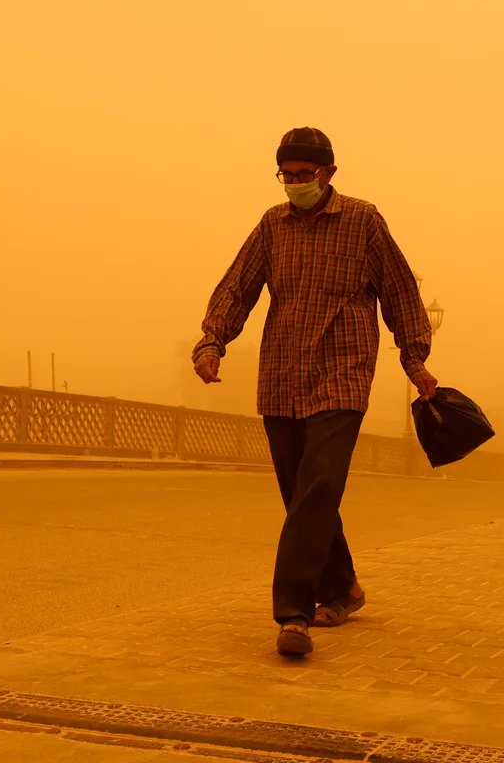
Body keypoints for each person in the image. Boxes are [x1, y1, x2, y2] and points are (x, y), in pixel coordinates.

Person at [191, 127, 437, 657]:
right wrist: (212, 343)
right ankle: (344, 586)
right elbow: (238, 286)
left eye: (306, 174)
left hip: (342, 375)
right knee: (302, 494)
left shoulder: (364, 223)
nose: (296, 184)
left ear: (329, 173)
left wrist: (414, 361)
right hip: (281, 378)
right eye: (288, 175)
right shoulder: (272, 226)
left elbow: (400, 291)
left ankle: (294, 614)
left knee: (318, 487)